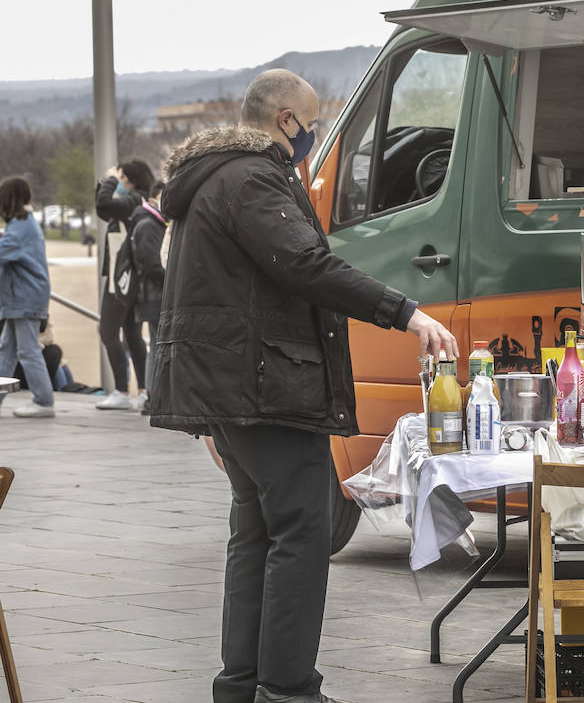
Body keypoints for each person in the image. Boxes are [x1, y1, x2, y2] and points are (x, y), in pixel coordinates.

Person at [147, 68, 458, 703]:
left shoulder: (215, 180)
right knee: (300, 530)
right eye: (311, 124)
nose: (313, 136)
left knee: (258, 532)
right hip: (264, 388)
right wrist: (406, 311)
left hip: (234, 388)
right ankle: (287, 689)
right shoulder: (252, 179)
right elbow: (306, 264)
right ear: (287, 120)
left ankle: (243, 686)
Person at [94, 158, 155, 410]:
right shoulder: (135, 200)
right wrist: (104, 184)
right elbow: (103, 209)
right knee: (131, 334)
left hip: (122, 279)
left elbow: (105, 204)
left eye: (121, 177)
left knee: (108, 331)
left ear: (130, 179)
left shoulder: (133, 200)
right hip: (128, 276)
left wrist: (110, 181)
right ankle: (141, 390)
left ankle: (122, 390)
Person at [0, 176, 56, 418]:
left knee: (27, 350)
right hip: (21, 297)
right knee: (7, 349)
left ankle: (43, 401)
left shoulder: (20, 228)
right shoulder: (23, 223)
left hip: (24, 298)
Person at [130, 181, 168, 416]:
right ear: (154, 197)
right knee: (156, 346)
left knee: (157, 345)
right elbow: (152, 264)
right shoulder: (148, 225)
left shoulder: (152, 222)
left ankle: (155, 397)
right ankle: (153, 398)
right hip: (154, 296)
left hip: (153, 296)